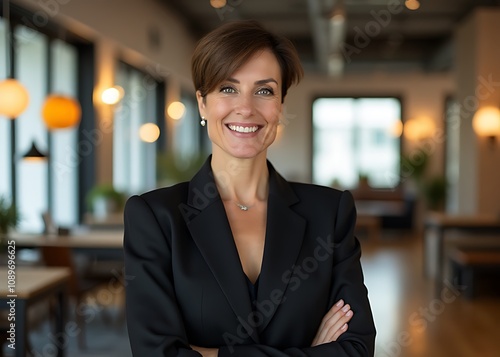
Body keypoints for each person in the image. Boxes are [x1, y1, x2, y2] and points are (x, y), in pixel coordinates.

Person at [124, 20, 376, 356]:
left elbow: (356, 349)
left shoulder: (330, 213)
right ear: (202, 103)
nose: (246, 107)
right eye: (228, 88)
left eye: (264, 90)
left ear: (280, 106)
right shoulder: (156, 218)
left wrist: (210, 354)